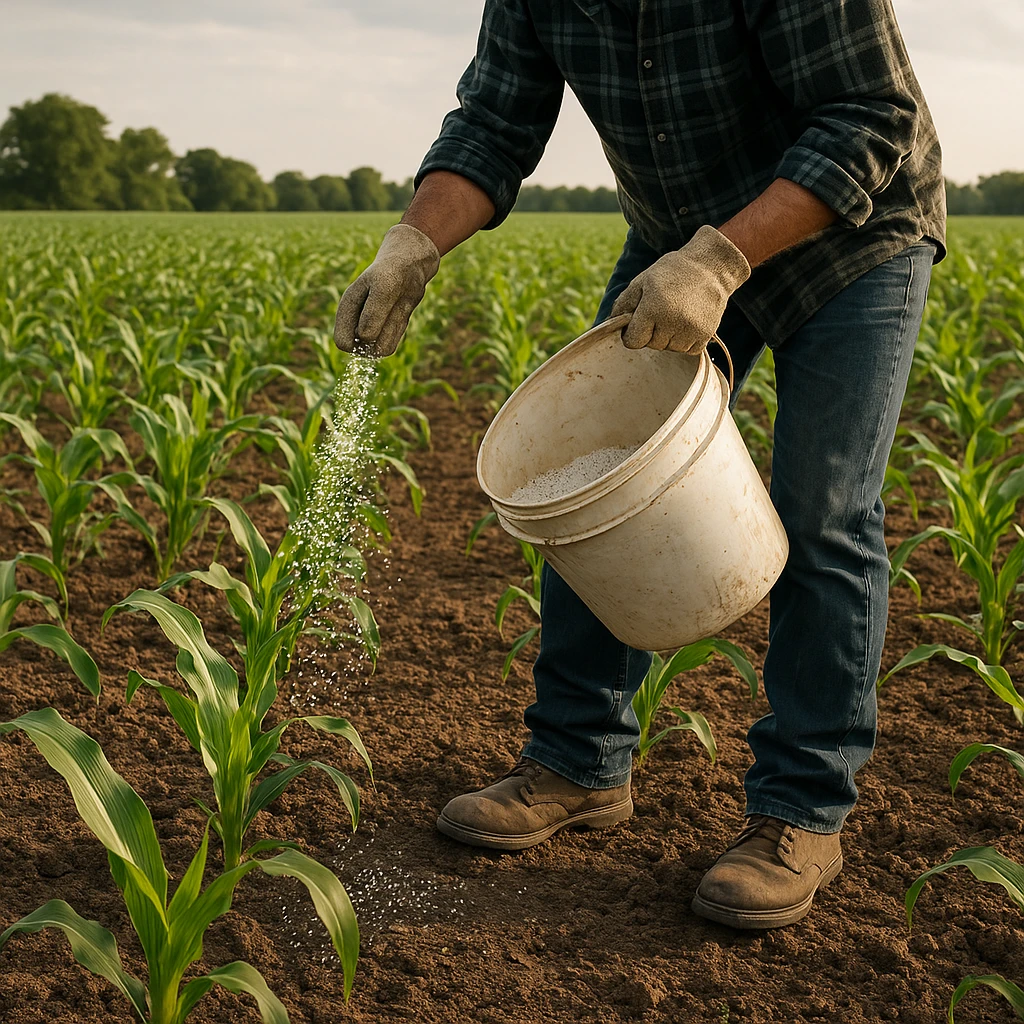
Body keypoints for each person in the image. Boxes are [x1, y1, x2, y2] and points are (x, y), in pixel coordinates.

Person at [333, 0, 945, 930]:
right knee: (589, 468)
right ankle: (578, 761)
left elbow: (873, 117)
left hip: (850, 238)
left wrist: (721, 260)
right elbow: (496, 118)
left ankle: (802, 812)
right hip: (680, 241)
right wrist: (412, 245)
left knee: (823, 507)